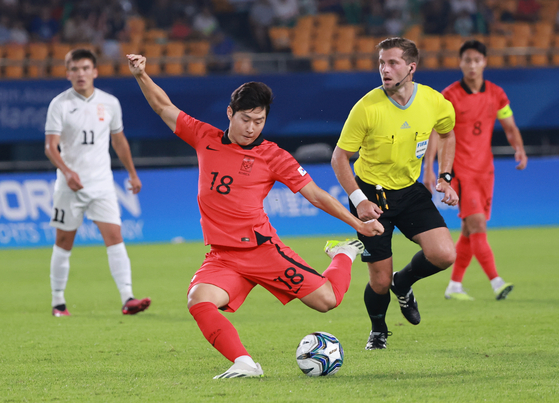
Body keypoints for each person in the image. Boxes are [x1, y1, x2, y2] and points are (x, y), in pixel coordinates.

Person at [127, 53, 384, 379]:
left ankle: (343, 254)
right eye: (246, 119)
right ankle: (245, 363)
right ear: (230, 113)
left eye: (259, 121)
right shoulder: (204, 136)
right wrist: (141, 75)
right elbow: (164, 107)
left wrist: (358, 224)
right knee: (198, 300)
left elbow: (316, 195)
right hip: (223, 256)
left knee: (328, 301)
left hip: (262, 251)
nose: (252, 128)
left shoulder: (273, 156)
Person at [331, 37, 459, 350]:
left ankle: (403, 282)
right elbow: (338, 158)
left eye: (392, 63)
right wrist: (359, 202)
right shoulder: (367, 107)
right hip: (370, 195)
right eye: (381, 63)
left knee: (444, 254)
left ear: (411, 67)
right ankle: (378, 330)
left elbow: (447, 133)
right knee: (377, 280)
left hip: (409, 191)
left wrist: (445, 177)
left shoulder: (433, 101)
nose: (384, 70)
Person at [45, 49, 151, 317]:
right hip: (70, 186)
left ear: (95, 71)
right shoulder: (59, 104)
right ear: (67, 73)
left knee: (115, 237)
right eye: (75, 69)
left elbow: (119, 141)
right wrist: (68, 172)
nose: (80, 74)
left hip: (102, 184)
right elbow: (50, 147)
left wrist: (132, 173)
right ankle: (58, 303)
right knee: (63, 241)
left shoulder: (110, 103)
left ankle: (128, 298)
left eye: (85, 68)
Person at [423, 40, 528, 301]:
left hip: (485, 171)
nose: (472, 65)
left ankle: (454, 286)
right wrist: (430, 169)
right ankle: (496, 282)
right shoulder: (449, 95)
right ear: (460, 63)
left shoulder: (497, 94)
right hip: (460, 171)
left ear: (484, 62)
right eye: (467, 60)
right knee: (478, 223)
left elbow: (510, 125)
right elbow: (436, 133)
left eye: (476, 60)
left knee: (470, 230)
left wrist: (519, 148)